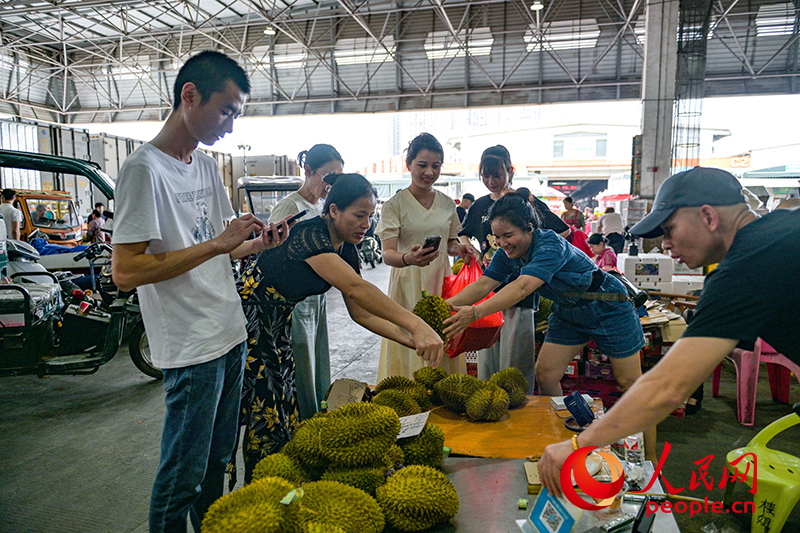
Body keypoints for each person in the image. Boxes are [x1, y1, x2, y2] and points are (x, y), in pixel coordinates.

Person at [111, 51, 292, 533]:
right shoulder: (143, 170)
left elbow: (221, 249)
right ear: (189, 95)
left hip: (229, 333)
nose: (230, 126)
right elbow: (125, 272)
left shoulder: (206, 167)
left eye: (237, 115)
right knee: (182, 478)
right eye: (226, 111)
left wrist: (258, 244)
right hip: (191, 348)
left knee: (217, 465)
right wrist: (217, 243)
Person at [538, 167, 800, 497]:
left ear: (708, 217)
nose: (665, 245)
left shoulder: (746, 268)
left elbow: (668, 387)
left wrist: (577, 445)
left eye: (669, 229)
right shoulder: (780, 232)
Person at [237, 173, 444, 481]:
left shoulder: (345, 247)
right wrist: (416, 324)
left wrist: (409, 340)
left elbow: (361, 314)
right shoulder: (311, 235)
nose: (366, 225)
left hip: (277, 326)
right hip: (248, 322)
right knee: (264, 415)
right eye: (359, 215)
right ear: (333, 210)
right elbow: (356, 288)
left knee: (286, 410)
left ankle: (280, 485)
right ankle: (259, 490)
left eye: (370, 216)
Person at [443, 192, 654, 458]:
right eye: (497, 237)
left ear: (529, 228)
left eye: (508, 235)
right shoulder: (507, 252)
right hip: (568, 311)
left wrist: (474, 313)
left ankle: (650, 461)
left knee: (631, 384)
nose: (502, 243)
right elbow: (485, 283)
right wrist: (446, 307)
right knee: (545, 375)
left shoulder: (549, 244)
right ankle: (561, 439)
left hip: (607, 305)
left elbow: (523, 287)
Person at [457, 145, 568, 391]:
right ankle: (490, 402)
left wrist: (537, 257)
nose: (491, 181)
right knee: (488, 362)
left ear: (510, 171)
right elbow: (463, 234)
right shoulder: (479, 205)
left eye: (496, 174)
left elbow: (562, 231)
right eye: (485, 175)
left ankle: (519, 406)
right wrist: (473, 250)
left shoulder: (524, 203)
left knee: (515, 364)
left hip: (522, 293)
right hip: (489, 289)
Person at [376, 132, 478, 380]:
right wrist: (407, 259)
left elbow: (449, 244)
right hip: (407, 282)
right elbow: (387, 254)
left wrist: (460, 249)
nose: (429, 172)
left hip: (440, 281)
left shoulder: (447, 203)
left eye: (436, 166)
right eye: (422, 165)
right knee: (409, 339)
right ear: (408, 164)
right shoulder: (395, 205)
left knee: (442, 336)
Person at [268, 143, 343, 421]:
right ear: (308, 171)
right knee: (301, 365)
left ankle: (319, 418)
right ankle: (304, 424)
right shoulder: (290, 207)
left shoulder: (322, 207)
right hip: (295, 303)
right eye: (327, 177)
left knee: (317, 360)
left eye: (337, 179)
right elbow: (273, 256)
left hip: (317, 299)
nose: (331, 185)